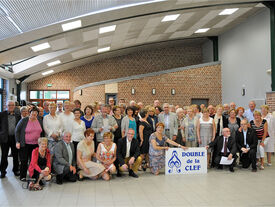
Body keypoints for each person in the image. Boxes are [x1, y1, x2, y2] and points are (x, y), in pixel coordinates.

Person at [15, 107, 44, 181]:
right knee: (24, 160)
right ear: (29, 113)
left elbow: (42, 132)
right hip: (25, 144)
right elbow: (17, 131)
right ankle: (23, 176)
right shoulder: (24, 120)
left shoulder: (39, 120)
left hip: (36, 145)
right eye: (32, 113)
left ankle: (33, 175)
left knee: (34, 161)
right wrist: (17, 141)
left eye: (36, 113)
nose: (34, 114)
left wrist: (42, 143)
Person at [0, 100, 21, 178]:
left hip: (15, 138)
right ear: (6, 106)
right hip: (5, 138)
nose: (11, 107)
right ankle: (2, 171)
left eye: (12, 105)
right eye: (9, 105)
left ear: (14, 106)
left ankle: (15, 170)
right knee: (4, 155)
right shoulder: (1, 114)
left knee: (15, 155)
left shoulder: (18, 115)